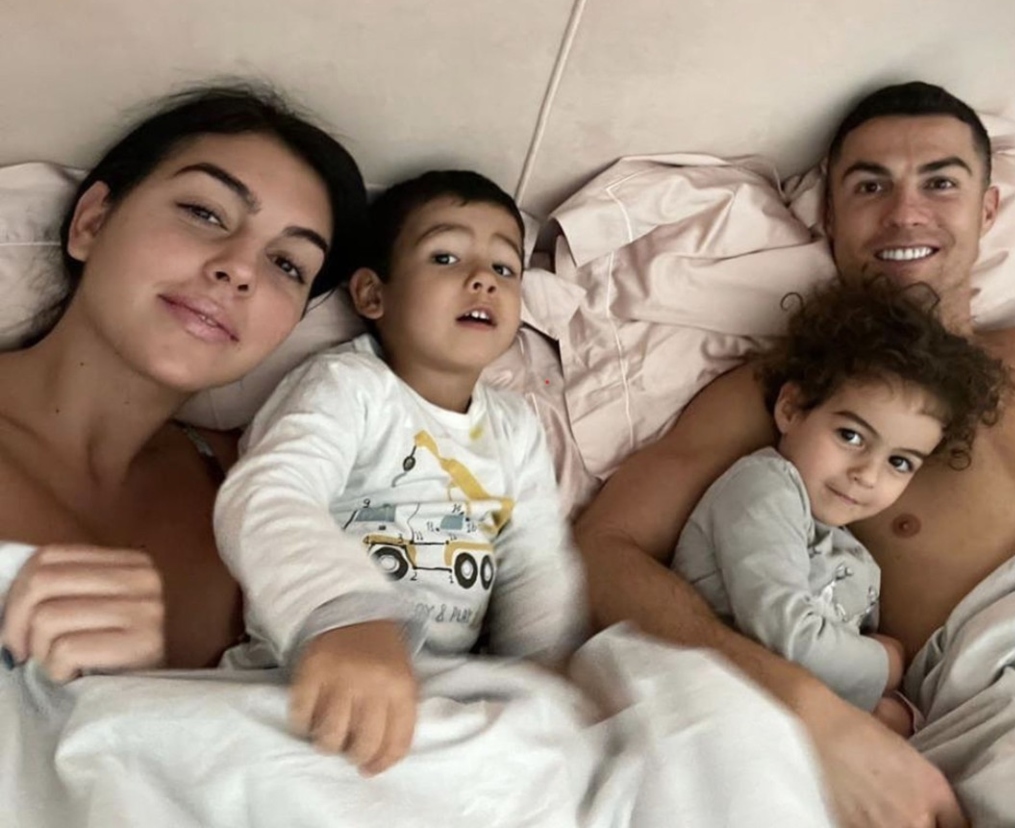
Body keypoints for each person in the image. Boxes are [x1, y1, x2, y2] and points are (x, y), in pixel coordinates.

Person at [573, 81, 1015, 828]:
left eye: (940, 184)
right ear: (830, 216)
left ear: (988, 210)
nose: (905, 214)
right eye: (870, 186)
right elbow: (602, 550)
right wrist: (806, 704)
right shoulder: (793, 392)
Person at [214, 170, 584, 776]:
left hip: (447, 689)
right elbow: (268, 492)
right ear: (371, 295)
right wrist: (342, 613)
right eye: (445, 257)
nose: (483, 279)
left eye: (504, 267)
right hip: (310, 669)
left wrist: (545, 677)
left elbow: (535, 562)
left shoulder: (516, 426)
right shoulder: (348, 387)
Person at [0, 84, 368, 678]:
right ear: (92, 222)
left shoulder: (270, 487)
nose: (241, 269)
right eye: (205, 213)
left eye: (287, 264)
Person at [671, 280, 1005, 736]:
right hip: (718, 704)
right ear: (792, 409)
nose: (867, 474)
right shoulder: (764, 488)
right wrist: (887, 662)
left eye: (899, 462)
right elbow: (791, 639)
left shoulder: (850, 550)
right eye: (851, 436)